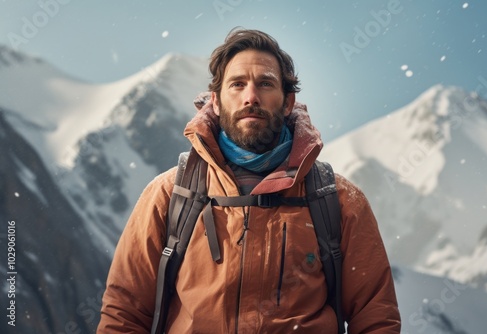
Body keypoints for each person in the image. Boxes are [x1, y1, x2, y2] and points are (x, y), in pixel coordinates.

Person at [98, 28, 401, 333]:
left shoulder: (338, 199)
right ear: (215, 102)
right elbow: (124, 313)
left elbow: (375, 317)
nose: (251, 97)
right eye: (237, 84)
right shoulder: (170, 194)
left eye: (265, 84)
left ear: (287, 102)